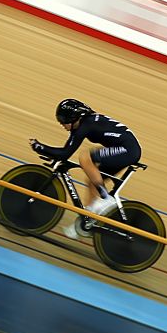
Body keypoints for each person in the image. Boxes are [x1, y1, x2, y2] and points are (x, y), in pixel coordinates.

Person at [29, 99, 142, 239]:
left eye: (63, 121)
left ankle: (106, 198)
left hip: (128, 150)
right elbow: (66, 151)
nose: (62, 125)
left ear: (73, 117)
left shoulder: (86, 125)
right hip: (125, 149)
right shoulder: (82, 124)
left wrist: (41, 147)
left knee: (85, 157)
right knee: (92, 180)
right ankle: (87, 222)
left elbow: (65, 154)